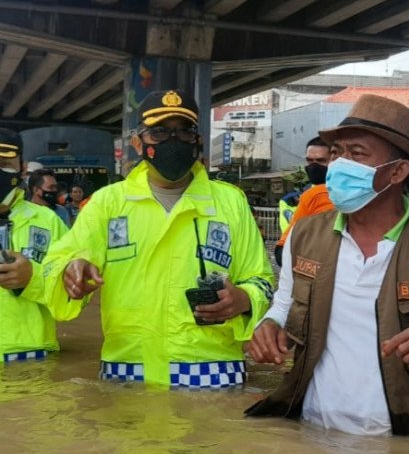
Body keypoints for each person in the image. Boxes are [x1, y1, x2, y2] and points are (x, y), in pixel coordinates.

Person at [245, 94, 409, 439]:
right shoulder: (305, 233)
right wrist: (269, 324)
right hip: (313, 431)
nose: (341, 164)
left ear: (398, 171)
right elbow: (285, 303)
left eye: (357, 154)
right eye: (338, 153)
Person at [43, 90, 275, 387]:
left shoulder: (231, 203)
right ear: (138, 143)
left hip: (213, 372)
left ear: (198, 142)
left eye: (184, 132)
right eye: (159, 132)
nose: (172, 141)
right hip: (126, 370)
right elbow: (56, 261)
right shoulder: (108, 203)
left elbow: (263, 280)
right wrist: (69, 271)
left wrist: (243, 299)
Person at [0, 129, 68, 363]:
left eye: (4, 163)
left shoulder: (49, 222)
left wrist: (33, 278)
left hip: (31, 358)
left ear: (22, 167)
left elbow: (77, 296)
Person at [273, 136, 333, 266]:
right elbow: (283, 248)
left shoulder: (350, 195)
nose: (314, 166)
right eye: (309, 161)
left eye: (321, 161)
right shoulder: (303, 197)